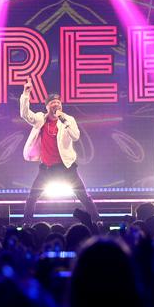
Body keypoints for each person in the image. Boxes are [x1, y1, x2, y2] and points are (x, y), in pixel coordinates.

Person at [18, 81, 102, 225]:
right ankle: (26, 225)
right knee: (32, 197)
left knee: (84, 196)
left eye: (58, 102)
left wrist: (64, 120)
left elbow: (75, 136)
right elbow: (25, 114)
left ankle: (98, 221)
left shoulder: (68, 119)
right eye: (53, 103)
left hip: (66, 167)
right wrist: (26, 94)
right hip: (47, 168)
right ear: (47, 106)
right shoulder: (40, 119)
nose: (56, 104)